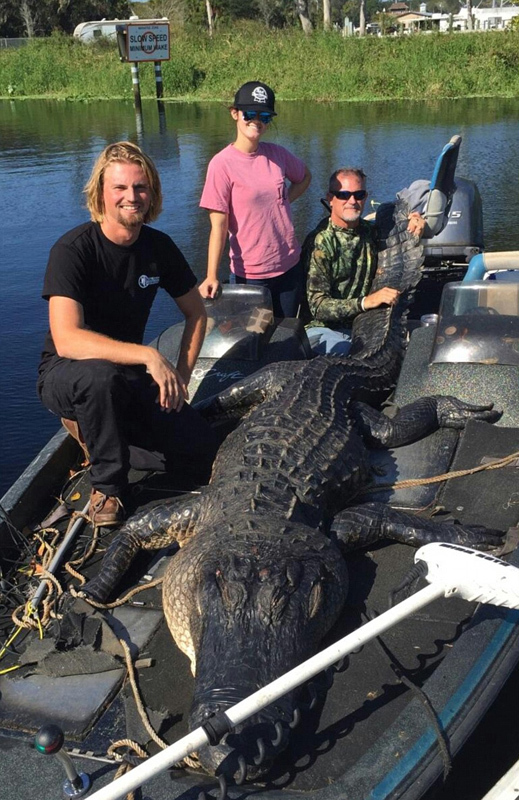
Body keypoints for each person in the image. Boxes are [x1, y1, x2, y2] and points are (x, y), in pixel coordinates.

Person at [37, 142, 218, 526]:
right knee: (99, 377)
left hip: (125, 372)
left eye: (140, 187)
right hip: (67, 372)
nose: (131, 197)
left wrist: (181, 378)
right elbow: (67, 339)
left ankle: (113, 438)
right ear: (101, 194)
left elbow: (196, 313)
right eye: (119, 188)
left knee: (202, 452)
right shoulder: (73, 250)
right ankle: (108, 487)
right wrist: (149, 355)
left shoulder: (158, 247)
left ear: (152, 193)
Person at [198, 81, 311, 319]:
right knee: (256, 334)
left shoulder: (278, 154)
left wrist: (283, 201)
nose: (257, 121)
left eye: (264, 116)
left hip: (289, 267)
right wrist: (211, 275)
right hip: (252, 276)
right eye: (250, 114)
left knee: (287, 331)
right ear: (235, 113)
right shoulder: (221, 164)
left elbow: (304, 177)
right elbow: (218, 227)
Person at [304, 167, 426, 355]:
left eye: (358, 194)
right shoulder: (320, 242)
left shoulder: (369, 231)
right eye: (343, 195)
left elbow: (398, 222)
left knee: (416, 349)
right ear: (330, 198)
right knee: (356, 357)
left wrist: (414, 218)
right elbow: (318, 307)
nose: (352, 201)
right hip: (323, 329)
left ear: (365, 197)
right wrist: (365, 302)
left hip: (365, 326)